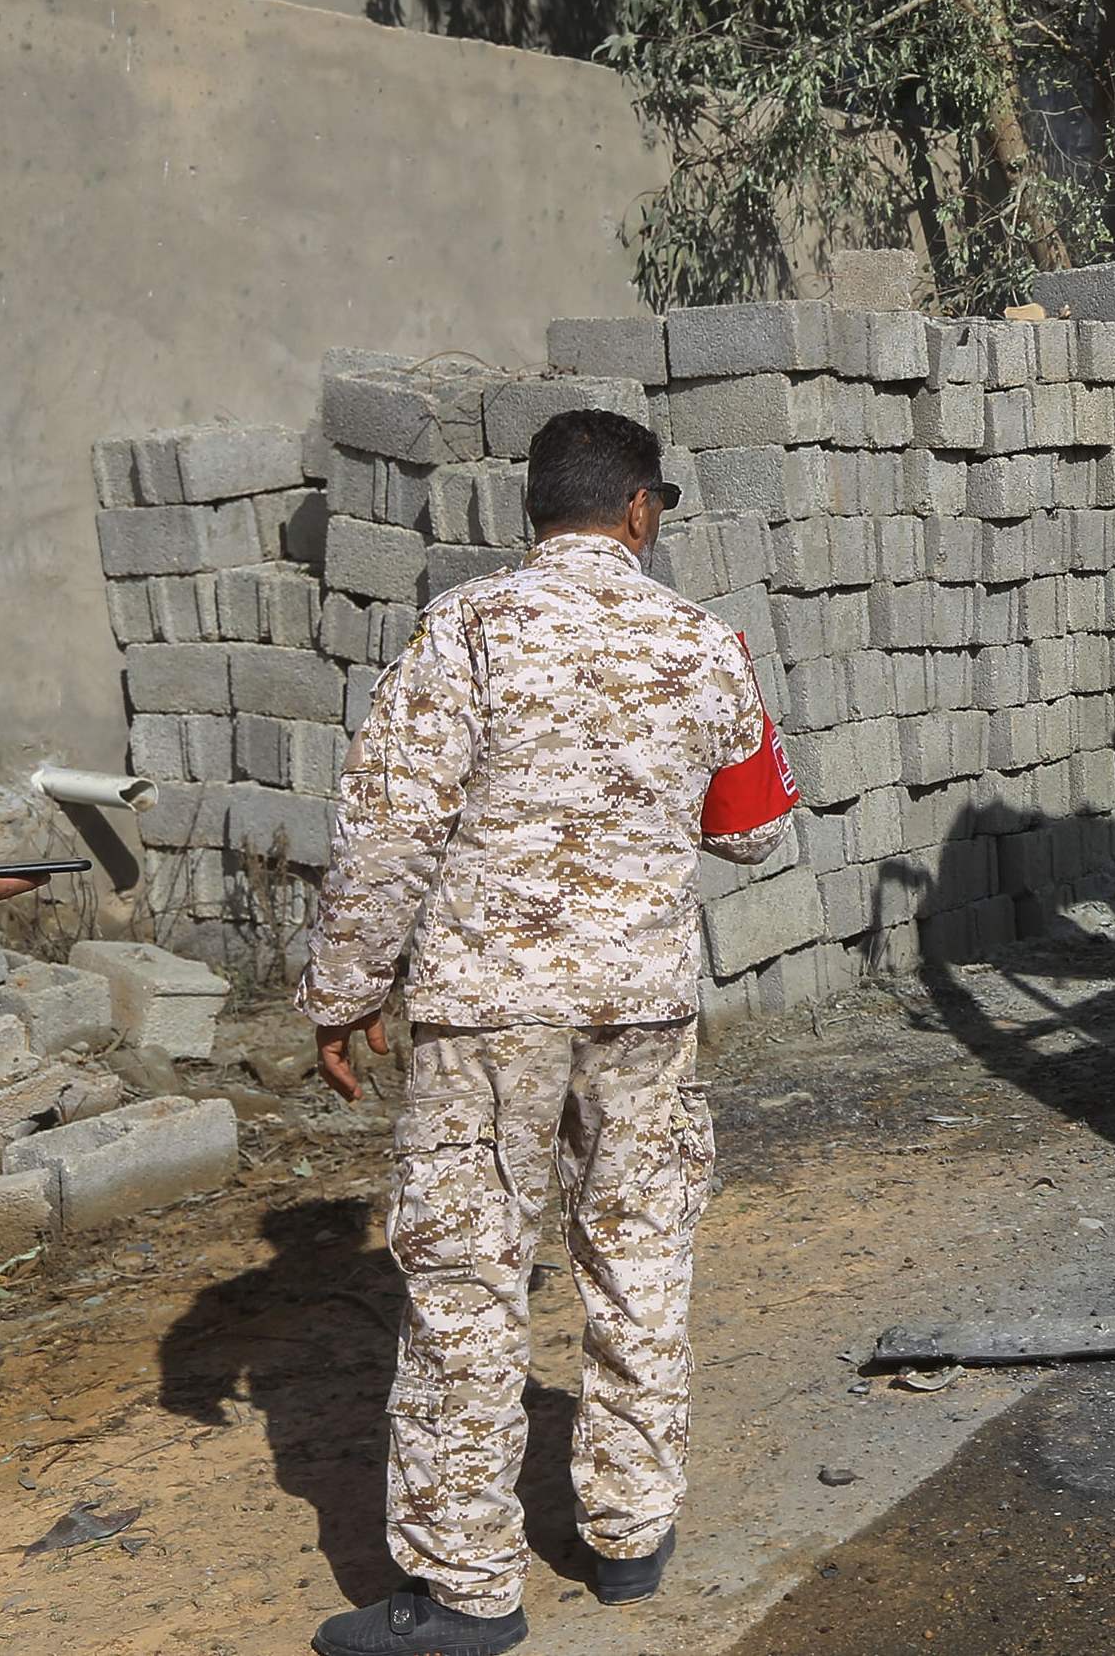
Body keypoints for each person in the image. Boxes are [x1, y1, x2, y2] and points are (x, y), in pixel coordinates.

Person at [299, 409, 800, 1656]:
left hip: (487, 1014)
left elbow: (389, 825)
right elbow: (752, 829)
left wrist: (343, 990)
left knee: (469, 1280)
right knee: (637, 1255)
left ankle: (467, 1588)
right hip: (640, 1012)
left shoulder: (464, 629)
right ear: (642, 509)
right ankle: (630, 1533)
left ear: (536, 511)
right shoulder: (704, 643)